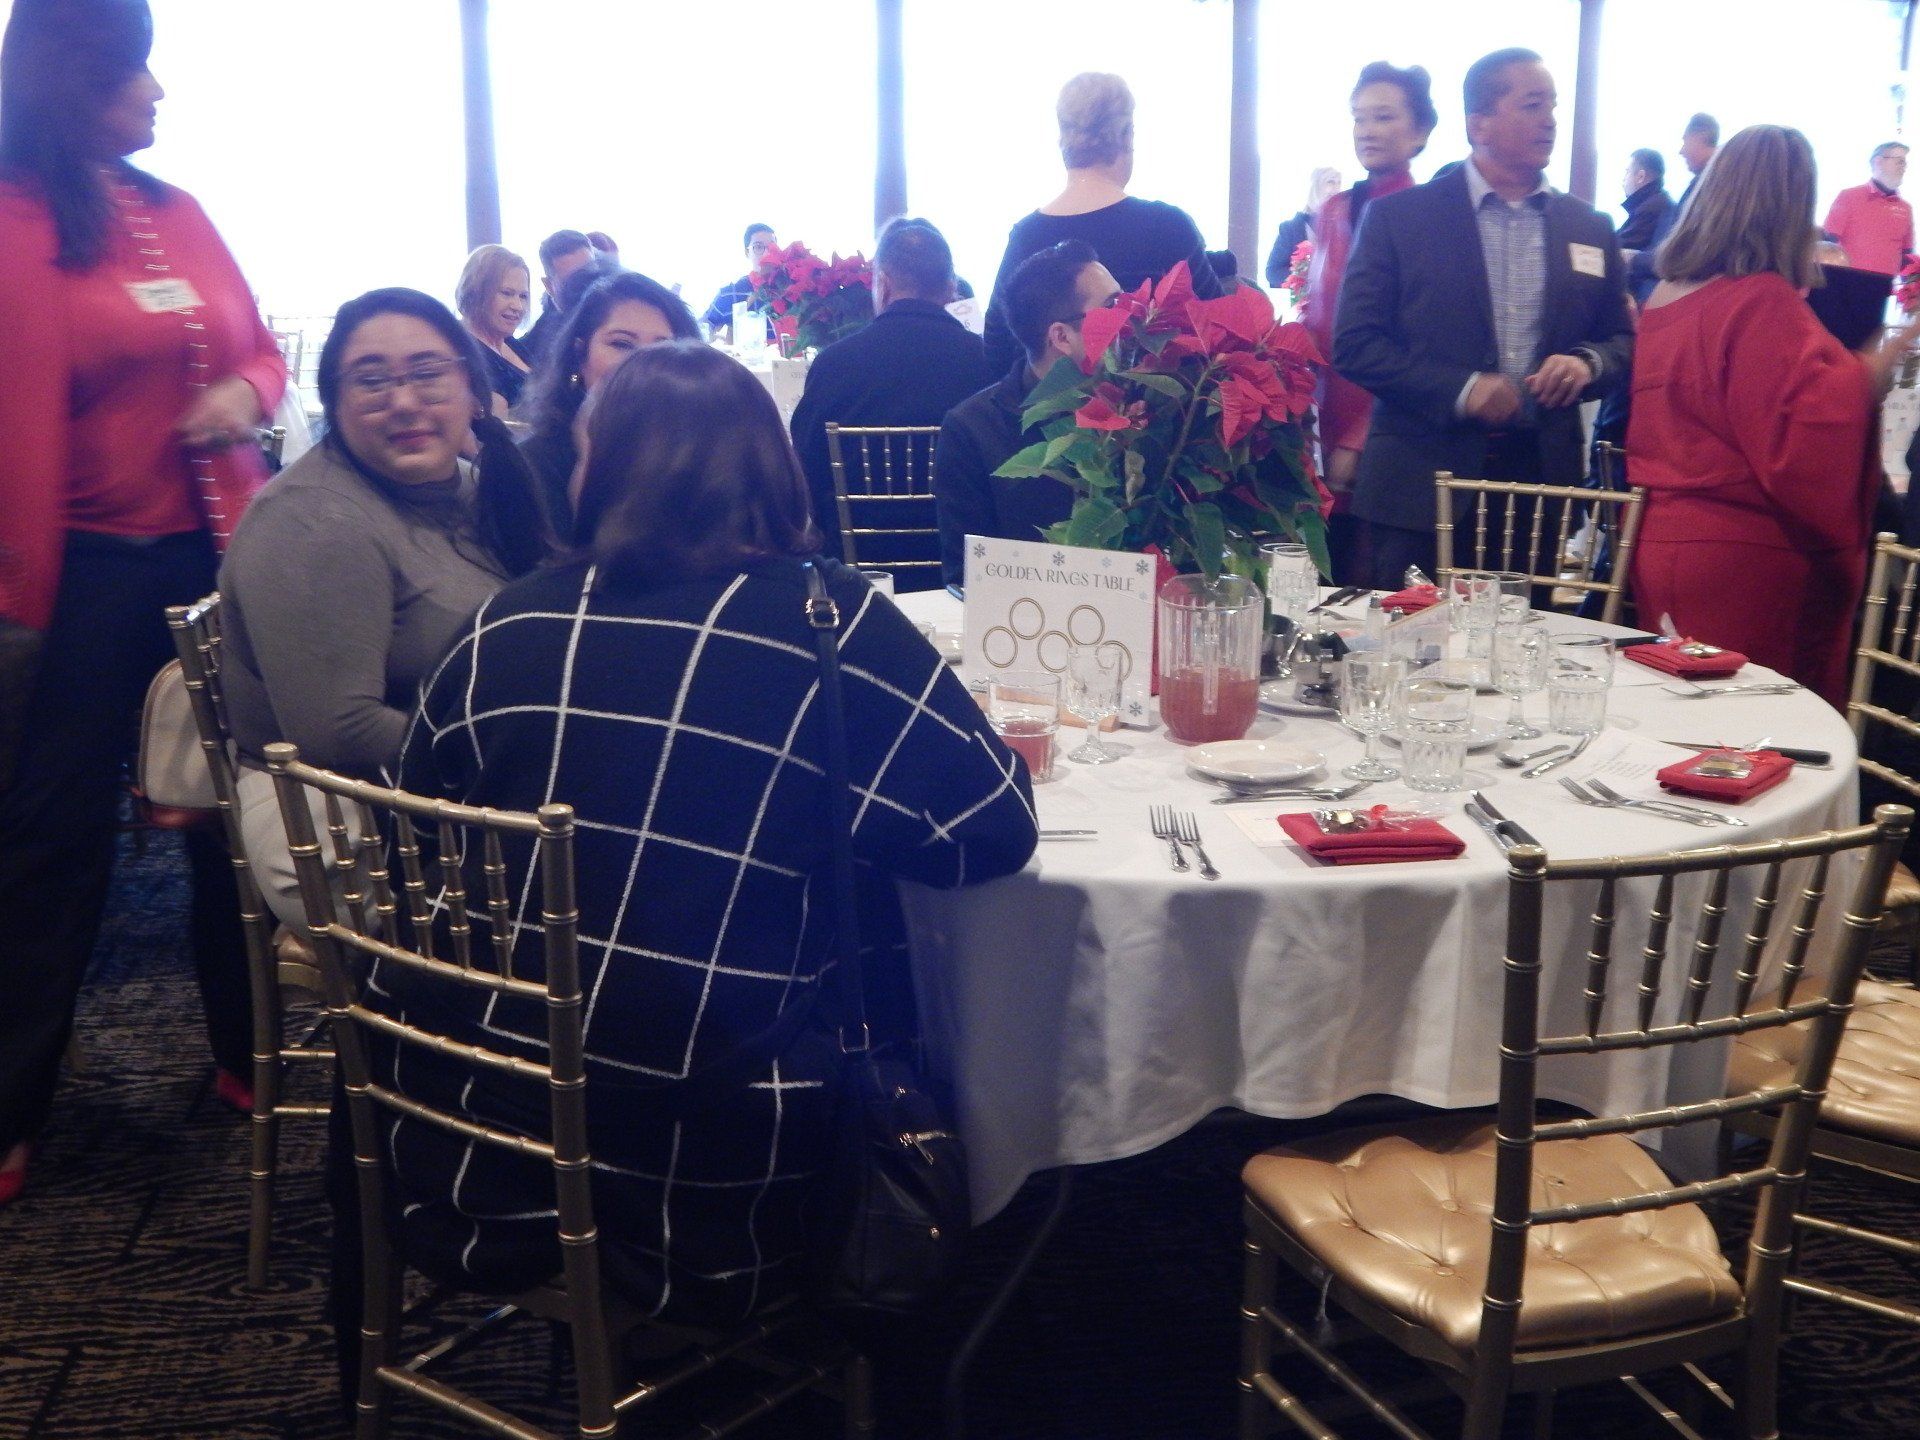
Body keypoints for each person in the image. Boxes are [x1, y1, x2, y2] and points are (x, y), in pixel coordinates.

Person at [382, 339, 1036, 1332]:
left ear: (593, 470)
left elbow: (423, 842)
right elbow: (991, 834)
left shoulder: (500, 626)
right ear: (773, 468)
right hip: (725, 1186)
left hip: (467, 1142)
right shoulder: (827, 623)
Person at [0, 0, 286, 1205]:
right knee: (51, 845)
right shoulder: (15, 220)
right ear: (76, 82)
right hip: (77, 572)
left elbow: (265, 351)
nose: (158, 93)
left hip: (211, 555)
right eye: (134, 74)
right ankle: (10, 1107)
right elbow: (15, 427)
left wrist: (241, 393)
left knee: (238, 816)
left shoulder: (178, 212)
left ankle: (247, 1055)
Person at [219, 288, 551, 924]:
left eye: (428, 373)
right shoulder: (314, 522)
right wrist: (527, 752)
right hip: (352, 814)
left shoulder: (470, 485)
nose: (403, 400)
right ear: (336, 406)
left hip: (453, 779)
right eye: (371, 381)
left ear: (474, 391)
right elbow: (335, 732)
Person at [1628, 126, 1920, 709]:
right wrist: (1877, 362)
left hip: (1665, 542)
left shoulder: (1669, 293)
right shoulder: (1759, 300)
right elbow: (1804, 440)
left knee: (1683, 731)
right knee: (1758, 745)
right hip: (1747, 559)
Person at [1333, 47, 1633, 588]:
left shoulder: (1588, 226)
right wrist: (1463, 388)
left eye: (1553, 106)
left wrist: (1589, 364)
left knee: (1523, 665)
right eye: (1533, 105)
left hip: (1538, 491)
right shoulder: (1401, 219)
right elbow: (1355, 344)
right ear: (1480, 123)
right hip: (1419, 487)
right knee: (1406, 662)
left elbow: (1623, 341)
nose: (1550, 121)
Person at [981, 72, 1222, 375]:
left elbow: (997, 348)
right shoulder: (1167, 227)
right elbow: (1220, 333)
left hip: (1052, 415)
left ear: (1062, 139)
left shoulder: (1026, 235)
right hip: (1159, 415)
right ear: (1127, 135)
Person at [788, 217, 993, 569]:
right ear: (952, 288)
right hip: (965, 566)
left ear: (881, 284)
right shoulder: (990, 362)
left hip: (857, 571)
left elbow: (805, 470)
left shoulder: (834, 365)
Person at [1301, 61, 1438, 584]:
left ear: (1421, 131)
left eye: (1383, 117)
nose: (1367, 130)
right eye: (1359, 118)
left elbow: (1418, 341)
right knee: (1326, 582)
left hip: (1387, 429)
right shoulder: (1335, 209)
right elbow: (1316, 322)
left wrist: (1358, 438)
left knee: (1378, 582)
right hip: (1324, 420)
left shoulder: (1427, 215)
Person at [935, 240, 1120, 589]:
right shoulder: (973, 429)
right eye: (1112, 307)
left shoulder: (1143, 409)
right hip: (1023, 626)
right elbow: (966, 578)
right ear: (1061, 337)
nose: (1131, 317)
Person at [518, 269, 701, 539]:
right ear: (580, 353)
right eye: (622, 344)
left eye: (662, 348)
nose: (641, 362)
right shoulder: (532, 465)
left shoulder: (698, 449)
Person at [1628, 113, 1716, 305]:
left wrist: (1633, 259)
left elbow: (1682, 251)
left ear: (1701, 136)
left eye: (1685, 141)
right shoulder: (1700, 185)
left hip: (1667, 290)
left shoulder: (1710, 188)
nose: (1681, 151)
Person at [455, 243, 533, 411]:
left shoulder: (510, 342)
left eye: (523, 296)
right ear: (476, 291)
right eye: (507, 293)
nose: (518, 306)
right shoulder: (463, 352)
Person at [1824, 142, 1914, 276]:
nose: (1903, 167)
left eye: (1904, 162)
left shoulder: (1905, 208)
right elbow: (1827, 242)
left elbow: (1907, 254)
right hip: (1848, 282)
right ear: (1878, 161)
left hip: (1884, 288)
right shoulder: (1849, 196)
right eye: (1899, 161)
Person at [519, 228, 594, 365]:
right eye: (572, 282)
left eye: (589, 276)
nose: (584, 287)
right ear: (549, 286)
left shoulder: (619, 320)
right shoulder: (529, 352)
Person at [1264, 166, 1341, 288]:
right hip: (1302, 303)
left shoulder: (1344, 227)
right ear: (1316, 187)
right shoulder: (1291, 229)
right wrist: (1305, 275)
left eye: (1339, 182)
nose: (1336, 188)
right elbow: (1273, 272)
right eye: (1330, 182)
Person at [702, 221, 777, 334]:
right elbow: (702, 331)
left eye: (772, 247)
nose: (767, 253)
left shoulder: (794, 292)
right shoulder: (729, 294)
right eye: (758, 247)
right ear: (747, 252)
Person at [1617, 147, 1672, 254]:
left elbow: (1615, 246)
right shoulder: (1658, 201)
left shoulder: (1650, 209)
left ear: (1640, 176)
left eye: (1627, 172)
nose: (1623, 179)